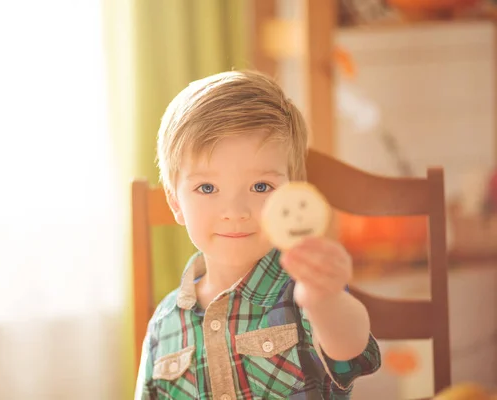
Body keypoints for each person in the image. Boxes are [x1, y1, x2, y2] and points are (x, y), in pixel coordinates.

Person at [134, 70, 381, 399]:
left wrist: (326, 300)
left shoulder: (305, 289)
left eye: (260, 186)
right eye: (207, 188)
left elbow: (351, 351)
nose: (235, 211)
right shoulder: (163, 326)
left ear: (291, 194)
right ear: (175, 203)